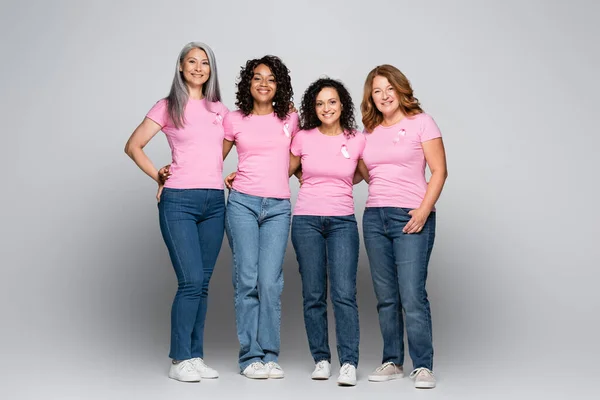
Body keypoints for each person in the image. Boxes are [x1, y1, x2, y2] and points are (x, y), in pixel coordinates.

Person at [124, 42, 228, 382]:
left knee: (204, 284)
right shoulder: (168, 106)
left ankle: (195, 356)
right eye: (192, 62)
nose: (198, 68)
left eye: (205, 63)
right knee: (191, 281)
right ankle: (179, 358)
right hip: (179, 202)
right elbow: (133, 145)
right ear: (181, 67)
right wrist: (159, 175)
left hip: (214, 203)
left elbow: (229, 147)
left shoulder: (220, 110)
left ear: (211, 70)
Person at [358, 64, 448, 389]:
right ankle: (392, 360)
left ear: (400, 89)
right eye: (377, 91)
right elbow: (362, 173)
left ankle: (422, 365)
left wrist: (424, 211)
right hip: (374, 218)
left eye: (389, 89)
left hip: (411, 216)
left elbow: (439, 171)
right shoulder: (368, 133)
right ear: (372, 97)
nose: (383, 96)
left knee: (411, 293)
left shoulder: (421, 123)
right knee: (386, 296)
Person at [222, 55, 299, 379]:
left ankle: (270, 354)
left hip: (278, 207)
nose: (264, 83)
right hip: (242, 204)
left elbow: (301, 156)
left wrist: (276, 173)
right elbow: (212, 160)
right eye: (257, 77)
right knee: (247, 279)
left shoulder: (291, 118)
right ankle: (250, 356)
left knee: (270, 282)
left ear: (279, 85)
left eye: (271, 78)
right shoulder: (234, 118)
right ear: (248, 83)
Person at [288, 78, 364, 386]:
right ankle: (321, 358)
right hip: (306, 220)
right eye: (319, 103)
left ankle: (348, 362)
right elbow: (284, 168)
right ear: (313, 108)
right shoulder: (303, 137)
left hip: (342, 221)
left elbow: (368, 174)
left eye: (331, 102)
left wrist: (338, 183)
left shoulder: (357, 139)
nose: (326, 108)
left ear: (342, 104)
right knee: (314, 295)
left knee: (344, 294)